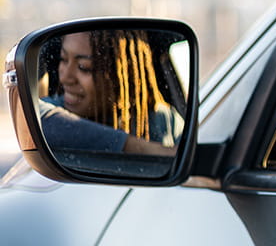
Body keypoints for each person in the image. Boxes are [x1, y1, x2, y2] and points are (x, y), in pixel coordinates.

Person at [40, 30, 183, 154]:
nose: (65, 77)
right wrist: (155, 152)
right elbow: (37, 119)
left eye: (84, 67)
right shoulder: (50, 112)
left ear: (124, 73)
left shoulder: (164, 120)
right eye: (63, 59)